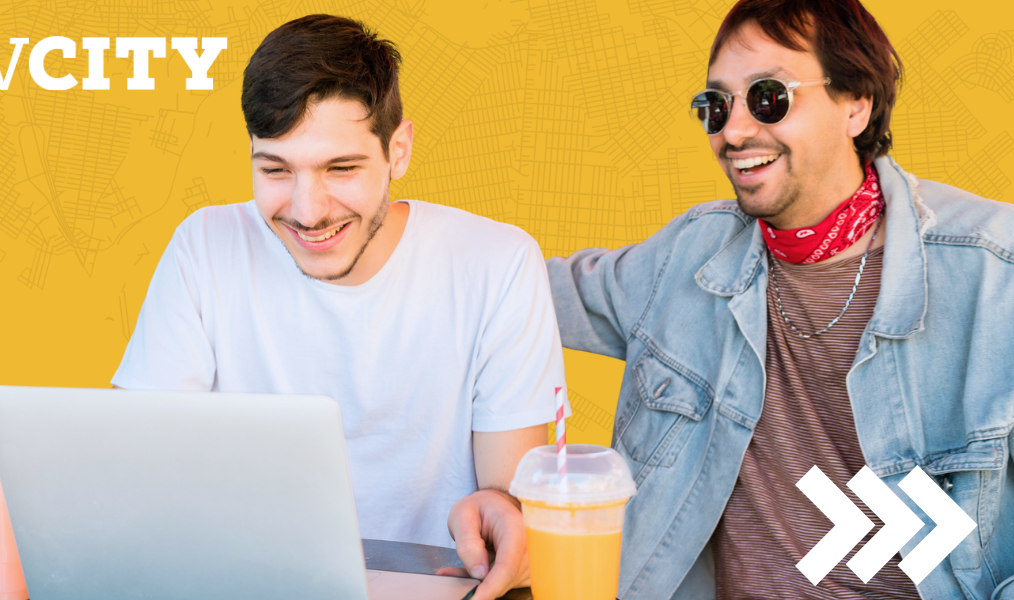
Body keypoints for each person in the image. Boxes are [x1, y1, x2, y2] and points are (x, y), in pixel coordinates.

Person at [445, 0, 1014, 598]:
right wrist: (389, 218)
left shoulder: (993, 273)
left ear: (856, 104)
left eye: (769, 97)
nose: (734, 132)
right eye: (716, 106)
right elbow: (511, 288)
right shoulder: (686, 258)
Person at [112, 14, 567, 552]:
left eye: (341, 168)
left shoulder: (499, 264)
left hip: (434, 581)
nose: (307, 212)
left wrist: (504, 514)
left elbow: (507, 495)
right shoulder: (204, 246)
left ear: (398, 150)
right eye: (275, 170)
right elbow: (135, 459)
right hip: (246, 578)